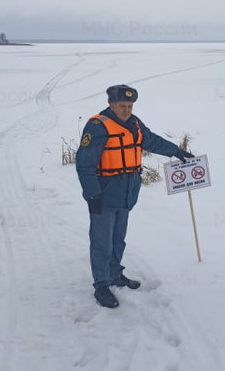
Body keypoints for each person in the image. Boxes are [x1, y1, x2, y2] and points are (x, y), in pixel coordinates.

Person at [76, 84, 194, 308]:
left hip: (128, 192)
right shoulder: (97, 127)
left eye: (130, 106)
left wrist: (175, 151)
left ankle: (114, 273)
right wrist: (92, 195)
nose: (127, 110)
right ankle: (101, 284)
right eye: (122, 106)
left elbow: (151, 140)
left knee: (118, 238)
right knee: (102, 241)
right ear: (111, 104)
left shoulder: (134, 123)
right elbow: (84, 165)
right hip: (104, 193)